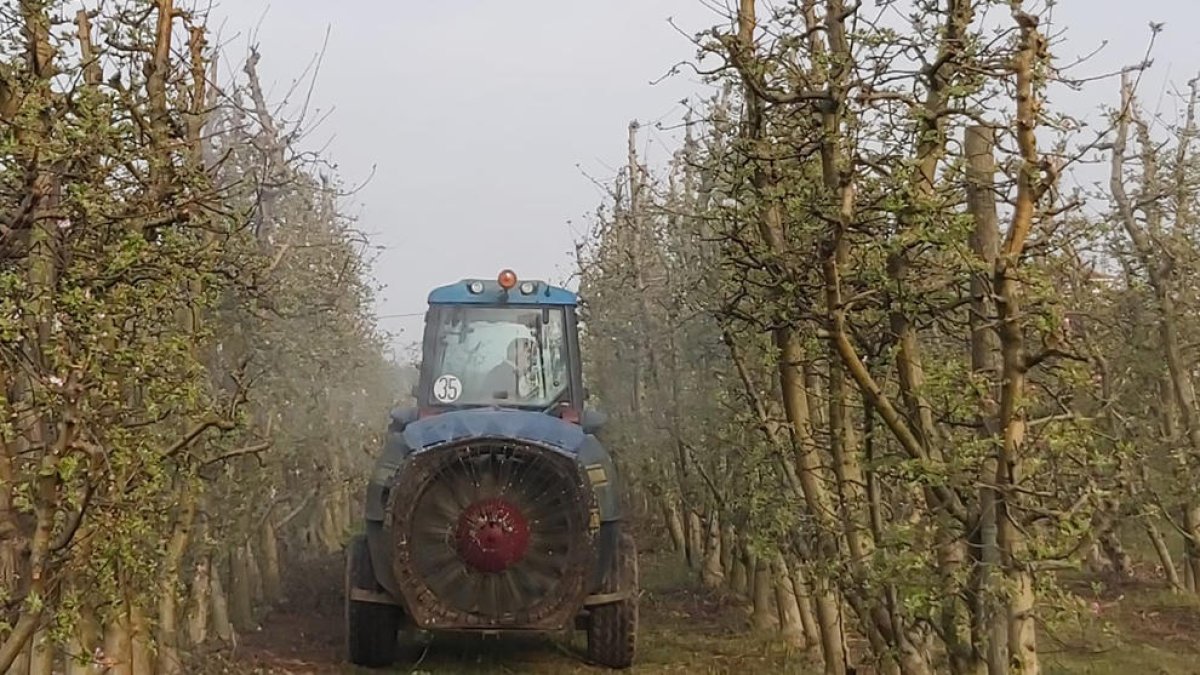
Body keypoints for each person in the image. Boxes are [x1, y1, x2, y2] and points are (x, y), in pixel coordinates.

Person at [479, 337, 538, 401]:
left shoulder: (527, 374)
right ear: (515, 352)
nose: (532, 356)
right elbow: (490, 395)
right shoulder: (497, 374)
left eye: (533, 353)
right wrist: (515, 397)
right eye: (528, 351)